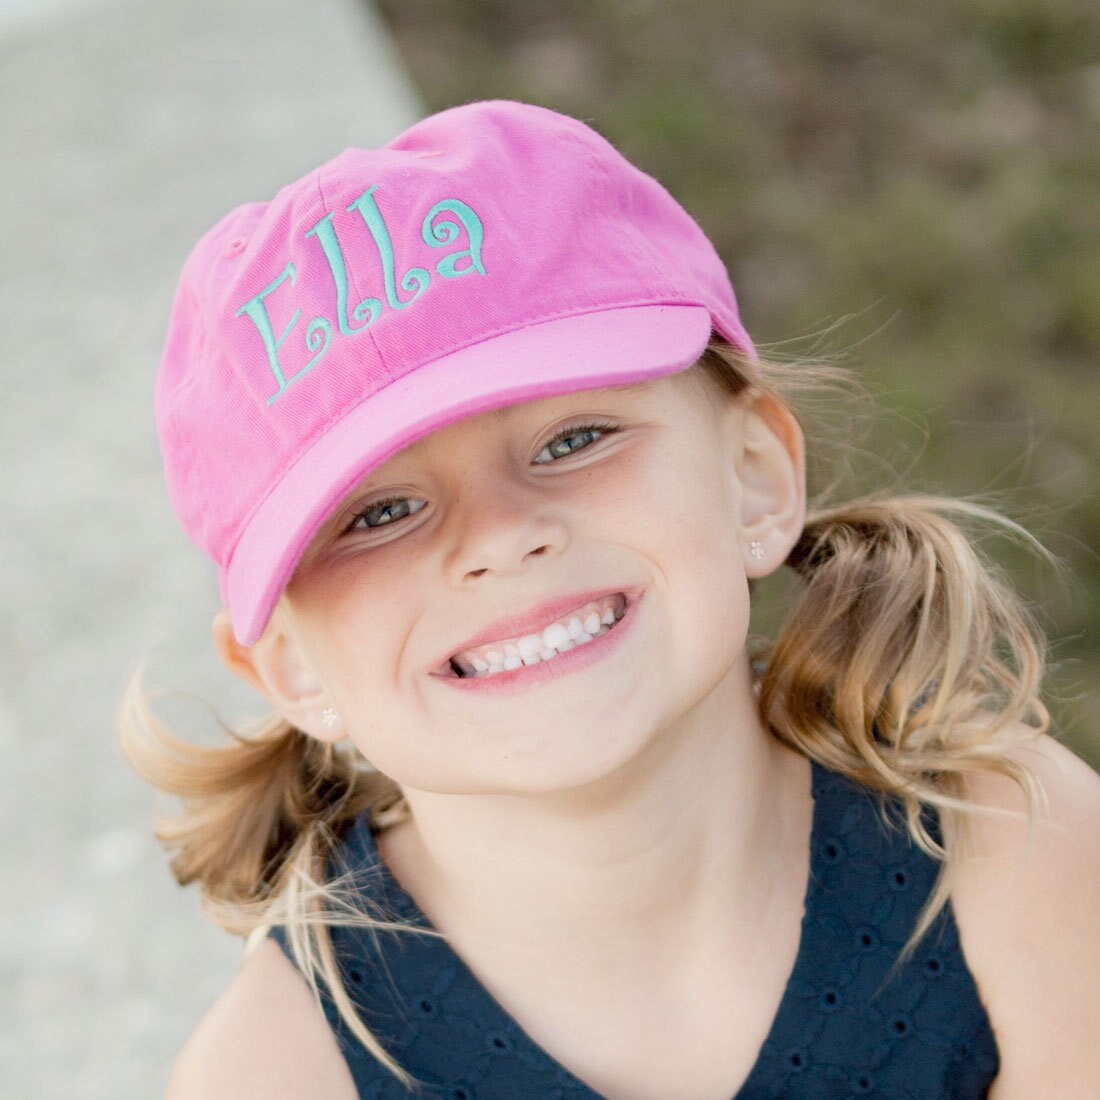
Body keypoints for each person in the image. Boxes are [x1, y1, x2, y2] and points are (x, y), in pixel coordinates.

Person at [123, 100, 1100, 1099]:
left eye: (573, 438)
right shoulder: (279, 1074)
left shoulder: (1009, 850)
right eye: (377, 514)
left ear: (752, 475)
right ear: (288, 665)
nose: (500, 535)